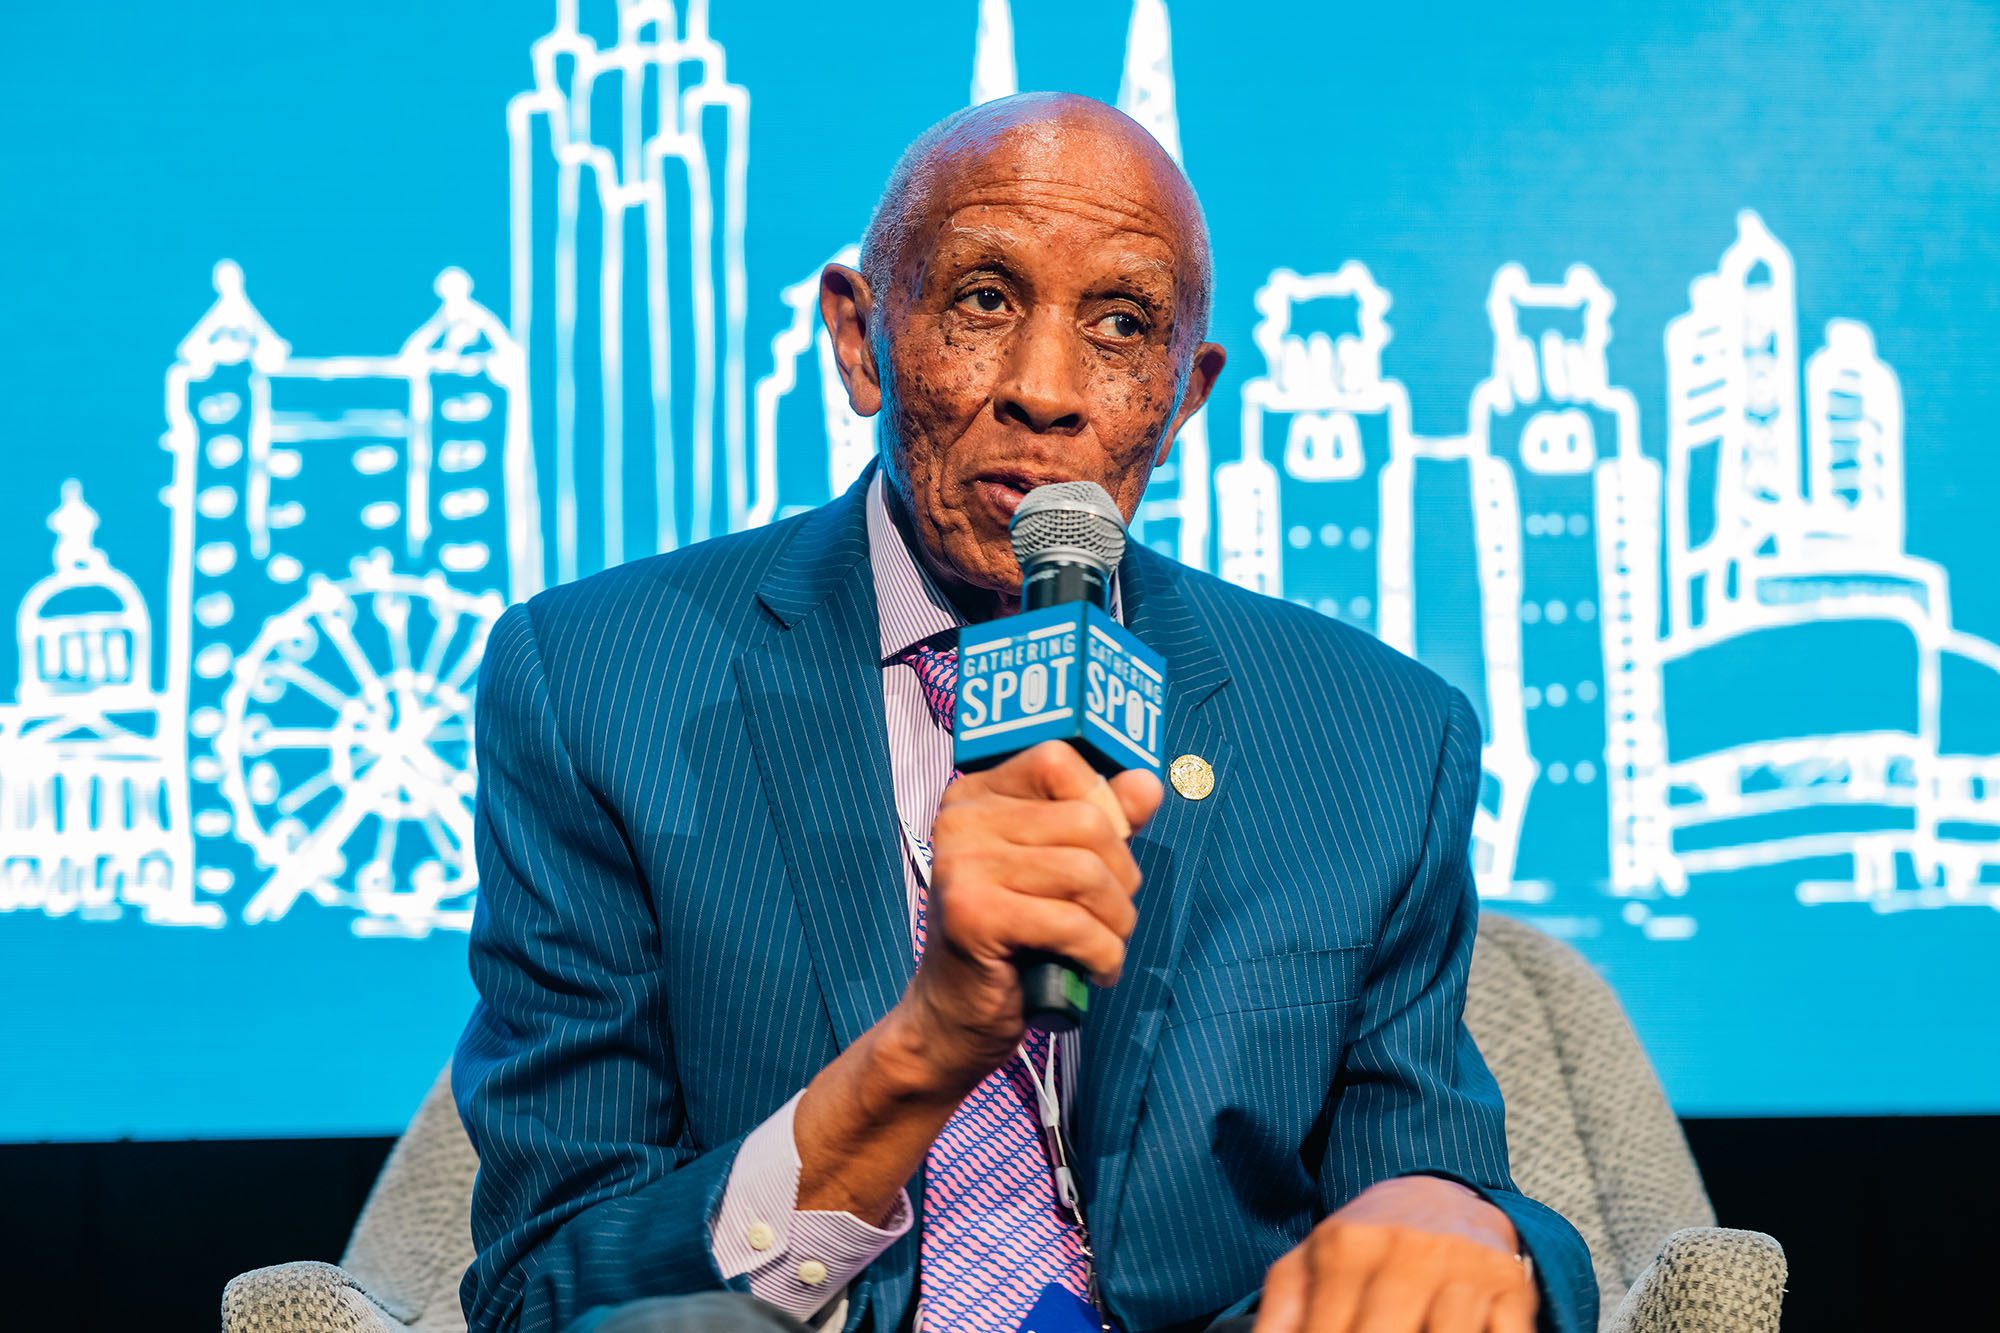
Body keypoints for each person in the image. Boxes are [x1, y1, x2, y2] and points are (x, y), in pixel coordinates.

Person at [453, 92, 1596, 1333]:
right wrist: (926, 1044)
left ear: (1180, 394)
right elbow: (545, 1288)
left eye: (1119, 326)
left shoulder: (1376, 736)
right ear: (858, 337)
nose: (1045, 391)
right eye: (984, 300)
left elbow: (1428, 1179)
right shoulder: (598, 682)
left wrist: (1454, 1217)